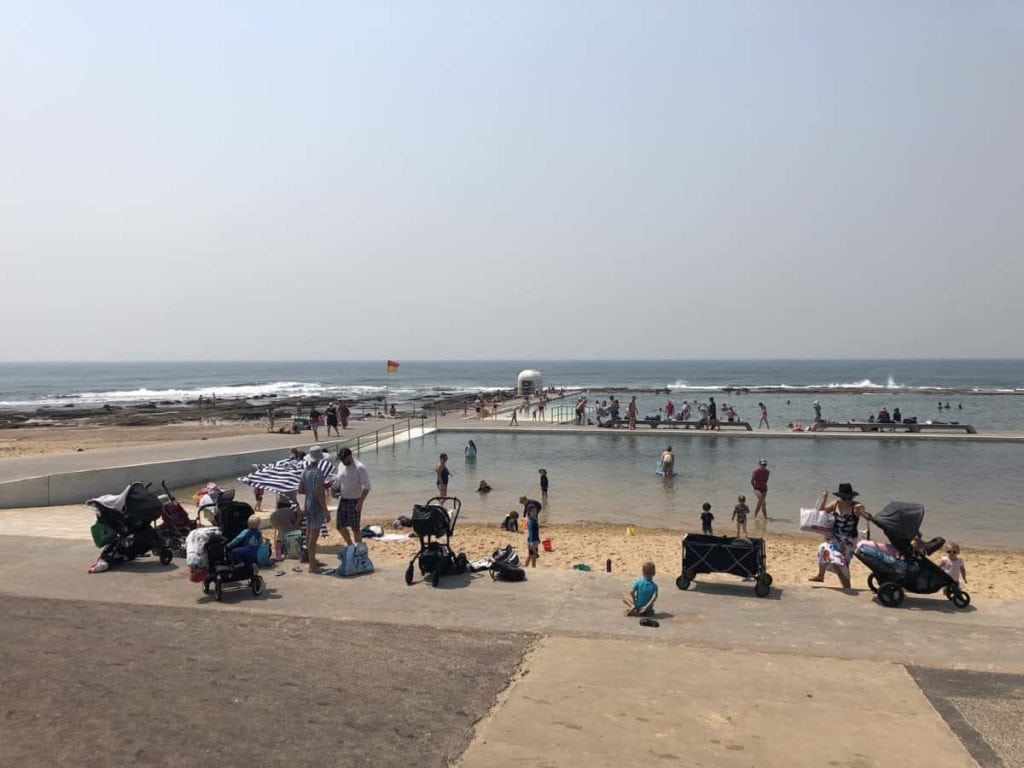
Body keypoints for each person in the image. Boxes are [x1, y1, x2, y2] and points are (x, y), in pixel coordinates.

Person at [809, 483, 871, 589]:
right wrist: (824, 498)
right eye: (845, 497)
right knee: (823, 548)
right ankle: (821, 575)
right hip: (835, 538)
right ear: (841, 497)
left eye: (849, 497)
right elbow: (820, 513)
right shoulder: (835, 504)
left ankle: (847, 587)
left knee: (842, 564)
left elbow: (866, 516)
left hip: (849, 541)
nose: (848, 499)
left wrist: (863, 513)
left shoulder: (856, 506)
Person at [330, 446, 371, 546]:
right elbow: (339, 480)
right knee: (339, 526)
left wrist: (360, 502)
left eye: (344, 459)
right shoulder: (341, 465)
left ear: (350, 456)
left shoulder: (359, 467)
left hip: (355, 501)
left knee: (355, 528)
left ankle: (358, 549)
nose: (343, 461)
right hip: (343, 500)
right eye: (341, 459)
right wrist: (334, 490)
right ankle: (350, 545)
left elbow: (367, 487)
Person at [298, 445, 329, 573]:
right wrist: (326, 510)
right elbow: (319, 492)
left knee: (309, 533)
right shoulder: (318, 473)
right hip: (316, 505)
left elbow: (300, 489)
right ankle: (312, 565)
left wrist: (310, 491)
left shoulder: (305, 471)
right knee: (313, 536)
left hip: (308, 503)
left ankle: (312, 560)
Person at [521, 495, 542, 567]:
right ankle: (526, 566)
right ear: (529, 513)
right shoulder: (531, 521)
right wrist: (532, 543)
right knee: (531, 555)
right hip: (532, 542)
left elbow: (536, 531)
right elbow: (532, 532)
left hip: (534, 541)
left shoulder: (533, 520)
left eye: (535, 511)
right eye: (533, 511)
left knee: (533, 556)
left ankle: (532, 567)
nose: (535, 512)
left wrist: (538, 539)